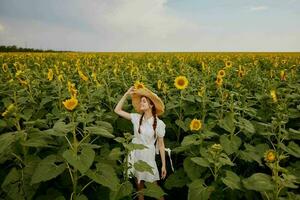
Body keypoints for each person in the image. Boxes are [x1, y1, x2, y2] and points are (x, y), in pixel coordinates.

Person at [114, 86, 173, 200]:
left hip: (148, 156)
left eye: (144, 101)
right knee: (139, 186)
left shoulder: (159, 124)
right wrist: (126, 94)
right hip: (136, 153)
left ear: (151, 105)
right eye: (140, 101)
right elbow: (117, 110)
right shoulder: (136, 118)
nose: (141, 103)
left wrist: (164, 165)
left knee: (155, 188)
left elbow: (161, 145)